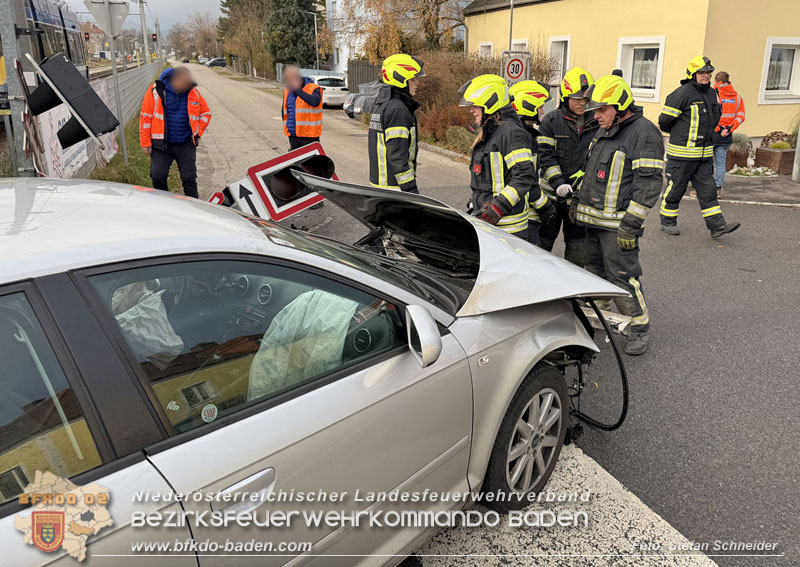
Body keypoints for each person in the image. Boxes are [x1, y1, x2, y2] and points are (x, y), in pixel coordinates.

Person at [568, 75, 664, 355]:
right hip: (593, 222)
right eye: (594, 110)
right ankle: (599, 321)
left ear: (620, 107)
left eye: (601, 110)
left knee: (623, 277)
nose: (595, 116)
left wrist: (631, 225)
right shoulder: (605, 130)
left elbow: (649, 184)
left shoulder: (645, 134)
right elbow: (590, 175)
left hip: (617, 227)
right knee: (593, 274)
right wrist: (576, 203)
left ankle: (638, 328)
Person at [459, 74, 556, 241]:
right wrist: (476, 201)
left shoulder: (511, 132)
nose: (471, 110)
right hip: (490, 223)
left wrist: (498, 207)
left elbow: (524, 177)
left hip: (508, 228)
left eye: (475, 105)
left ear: (489, 103)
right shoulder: (492, 132)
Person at [658, 56, 740, 238]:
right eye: (702, 72)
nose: (706, 76)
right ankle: (667, 222)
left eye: (708, 73)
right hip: (681, 156)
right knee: (675, 190)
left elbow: (716, 118)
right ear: (692, 74)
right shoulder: (682, 93)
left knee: (708, 192)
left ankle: (717, 227)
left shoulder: (712, 93)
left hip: (703, 157)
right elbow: (664, 122)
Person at [537, 67, 599, 265]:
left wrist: (581, 189)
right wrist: (558, 183)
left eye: (586, 99)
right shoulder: (551, 121)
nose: (582, 103)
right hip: (552, 199)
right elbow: (546, 157)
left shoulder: (598, 124)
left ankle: (573, 292)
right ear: (565, 97)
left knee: (577, 249)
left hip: (579, 200)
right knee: (542, 245)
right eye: (577, 98)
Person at [139, 67, 211, 198]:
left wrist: (197, 133)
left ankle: (193, 207)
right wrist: (145, 142)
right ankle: (165, 204)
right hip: (161, 145)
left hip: (185, 143)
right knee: (157, 177)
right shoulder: (155, 91)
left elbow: (206, 113)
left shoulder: (193, 92)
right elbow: (145, 117)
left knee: (189, 179)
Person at [368, 54, 424, 193]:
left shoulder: (383, 104)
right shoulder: (397, 110)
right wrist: (410, 188)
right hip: (395, 187)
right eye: (413, 79)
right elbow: (397, 155)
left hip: (381, 184)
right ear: (401, 80)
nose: (417, 83)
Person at [508, 79, 552, 245]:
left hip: (523, 213)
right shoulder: (522, 138)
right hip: (524, 216)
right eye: (539, 106)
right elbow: (527, 181)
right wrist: (546, 207)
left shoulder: (523, 133)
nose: (542, 111)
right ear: (527, 105)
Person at [712, 71, 745, 197]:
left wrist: (719, 128)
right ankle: (718, 189)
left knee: (706, 163)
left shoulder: (714, 94)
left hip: (712, 134)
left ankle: (702, 189)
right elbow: (741, 116)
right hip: (726, 136)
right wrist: (729, 128)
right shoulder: (737, 97)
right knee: (721, 163)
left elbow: (711, 114)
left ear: (716, 81)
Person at [282, 65, 323, 150]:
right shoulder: (287, 90)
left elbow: (314, 102)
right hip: (293, 135)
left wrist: (298, 91)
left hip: (309, 136)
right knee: (296, 161)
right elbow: (284, 110)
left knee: (311, 162)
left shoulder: (313, 88)